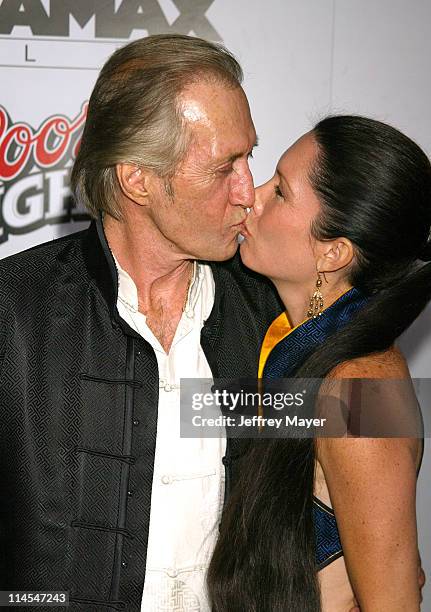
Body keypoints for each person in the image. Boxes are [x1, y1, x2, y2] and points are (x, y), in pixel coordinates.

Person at [0, 35, 283, 611]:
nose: (248, 193)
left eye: (249, 157)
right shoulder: (15, 311)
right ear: (138, 180)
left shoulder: (273, 313)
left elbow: (363, 441)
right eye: (223, 167)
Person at [207, 115, 431, 611]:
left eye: (281, 192)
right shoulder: (294, 349)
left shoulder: (361, 390)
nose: (251, 196)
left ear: (333, 252)